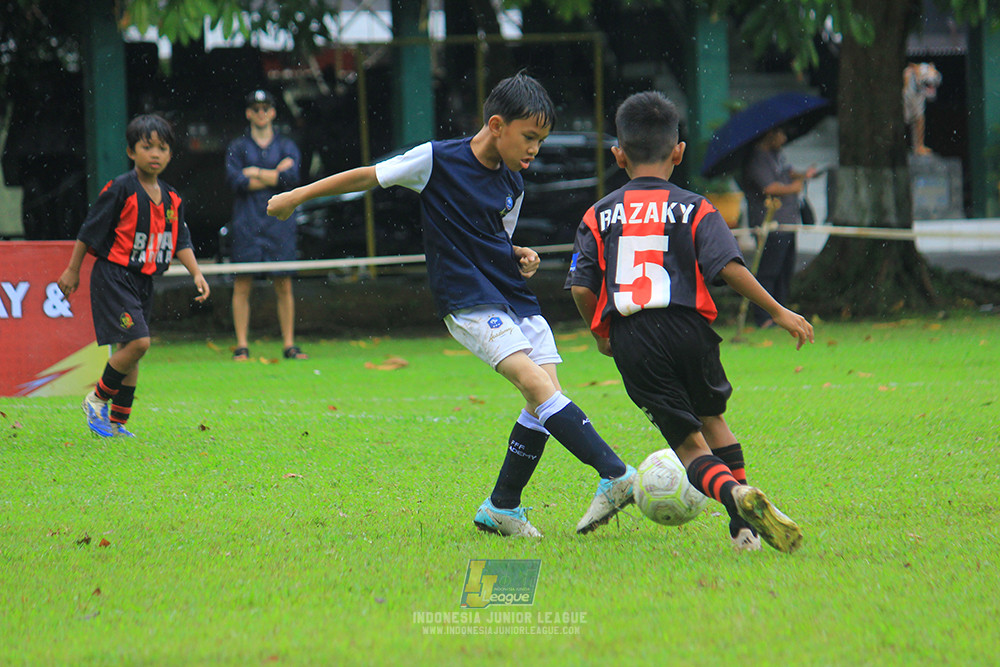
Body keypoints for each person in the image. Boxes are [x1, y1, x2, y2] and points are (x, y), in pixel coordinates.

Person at [268, 73, 636, 537]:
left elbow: (496, 239)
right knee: (535, 383)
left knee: (542, 395)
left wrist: (519, 253)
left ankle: (502, 507)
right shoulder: (436, 160)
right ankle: (615, 473)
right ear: (497, 124)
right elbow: (368, 176)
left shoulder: (513, 186)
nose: (534, 151)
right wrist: (295, 197)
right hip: (467, 298)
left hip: (512, 295)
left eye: (540, 141)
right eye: (529, 137)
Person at [566, 91, 814, 553]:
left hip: (634, 336)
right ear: (678, 153)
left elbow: (582, 288)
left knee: (691, 449)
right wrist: (779, 311)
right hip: (690, 330)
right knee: (714, 422)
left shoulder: (598, 214)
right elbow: (729, 268)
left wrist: (601, 333)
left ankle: (737, 497)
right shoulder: (696, 208)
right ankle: (742, 531)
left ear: (619, 155)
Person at [57, 114, 210, 438]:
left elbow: (179, 239)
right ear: (131, 152)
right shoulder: (120, 189)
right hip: (114, 276)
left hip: (143, 281)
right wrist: (72, 269)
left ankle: (117, 423)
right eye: (146, 146)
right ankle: (96, 399)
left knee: (132, 350)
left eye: (162, 147)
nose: (155, 153)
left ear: (170, 154)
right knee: (139, 343)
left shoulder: (172, 199)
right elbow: (89, 230)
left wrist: (196, 272)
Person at [225, 89, 307, 361]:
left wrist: (256, 172)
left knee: (283, 283)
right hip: (246, 223)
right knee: (242, 283)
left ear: (273, 112)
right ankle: (242, 346)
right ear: (249, 113)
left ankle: (289, 344)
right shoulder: (238, 147)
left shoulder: (287, 145)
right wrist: (275, 174)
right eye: (255, 108)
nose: (261, 113)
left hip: (279, 224)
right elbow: (238, 182)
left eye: (265, 108)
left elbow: (291, 179)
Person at [739, 126, 817, 329]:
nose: (783, 138)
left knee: (785, 270)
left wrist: (804, 176)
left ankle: (783, 315)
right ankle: (764, 317)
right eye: (781, 133)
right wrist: (794, 188)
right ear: (769, 134)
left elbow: (788, 173)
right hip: (771, 223)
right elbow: (769, 187)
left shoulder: (777, 155)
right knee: (768, 270)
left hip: (788, 221)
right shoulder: (757, 158)